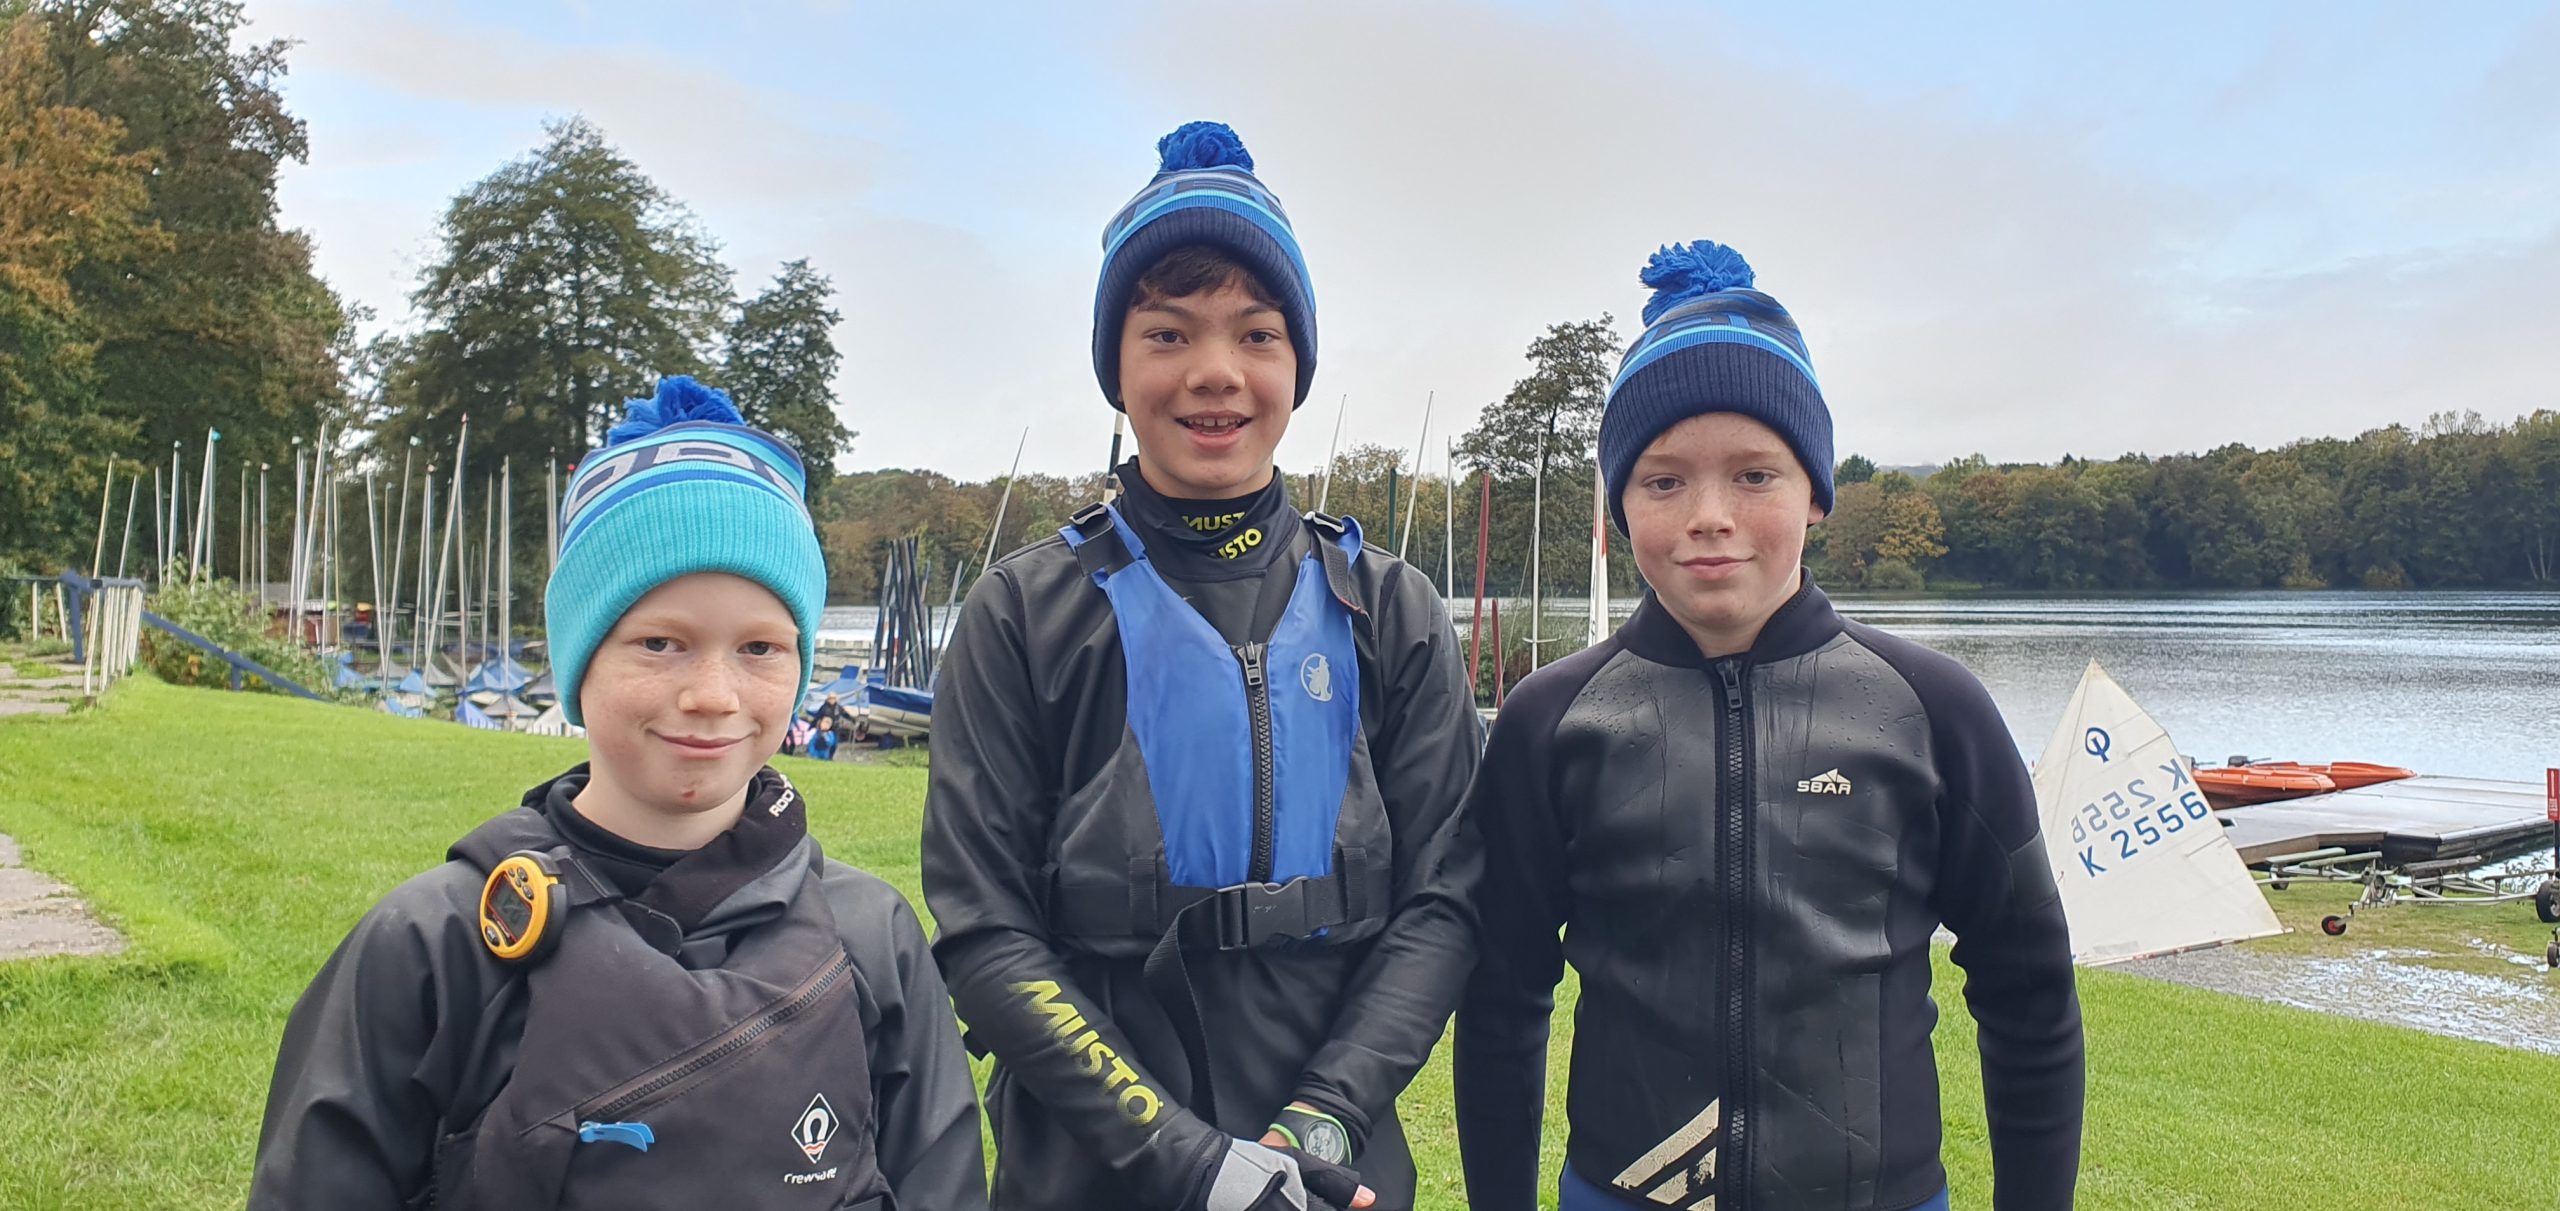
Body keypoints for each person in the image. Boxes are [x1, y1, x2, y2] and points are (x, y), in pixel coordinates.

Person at [250, 377, 988, 1210]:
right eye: (660, 642)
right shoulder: (434, 945)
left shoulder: (872, 937)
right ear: (580, 658)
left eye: (759, 648)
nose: (712, 694)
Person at [1453, 242, 2085, 1211]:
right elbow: (1502, 999)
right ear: (1619, 505)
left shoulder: (1931, 709)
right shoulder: (1553, 721)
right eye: (1663, 481)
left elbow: (2027, 989)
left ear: (1815, 492)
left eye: (1755, 475)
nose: (1709, 515)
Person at [922, 121, 1483, 1211]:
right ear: (1116, 367)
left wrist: (1325, 1115)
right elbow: (985, 931)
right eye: (1168, 334)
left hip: (1331, 1169)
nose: (1215, 373)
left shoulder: (1392, 610)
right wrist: (1189, 1161)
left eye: (1256, 333)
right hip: (1092, 1169)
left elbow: (1446, 901)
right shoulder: (1023, 613)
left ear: (1296, 363)